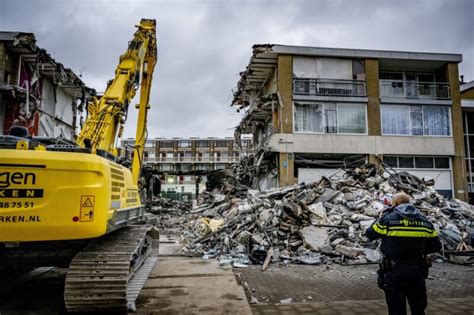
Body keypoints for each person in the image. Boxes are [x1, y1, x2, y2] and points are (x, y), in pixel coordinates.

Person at [366, 192, 441, 315]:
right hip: (417, 270)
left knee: (396, 308)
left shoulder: (388, 220)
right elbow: (435, 246)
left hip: (394, 270)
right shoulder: (425, 221)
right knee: (418, 307)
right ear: (409, 203)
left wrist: (382, 216)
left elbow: (370, 234)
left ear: (394, 203)